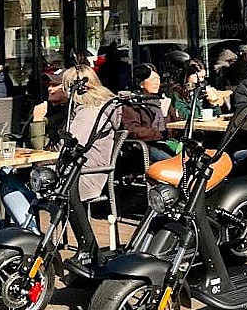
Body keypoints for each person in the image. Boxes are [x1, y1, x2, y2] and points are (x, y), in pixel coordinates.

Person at [63, 65, 120, 266]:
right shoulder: (88, 109)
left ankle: (87, 249)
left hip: (86, 175)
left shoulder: (89, 112)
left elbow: (72, 146)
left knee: (29, 181)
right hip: (78, 171)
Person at [121, 64, 177, 162]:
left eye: (158, 79)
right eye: (153, 79)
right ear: (141, 83)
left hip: (166, 143)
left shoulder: (162, 101)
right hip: (145, 147)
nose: (157, 83)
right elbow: (132, 130)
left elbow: (176, 122)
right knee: (171, 162)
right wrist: (159, 133)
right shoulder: (133, 104)